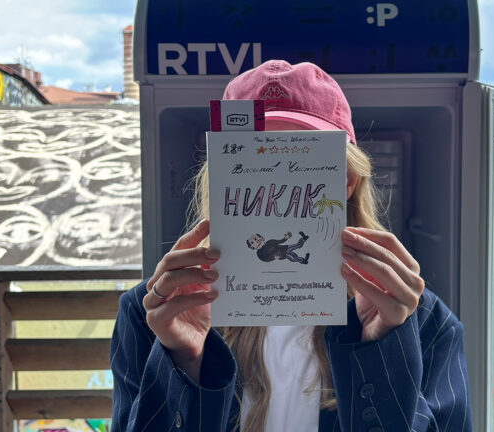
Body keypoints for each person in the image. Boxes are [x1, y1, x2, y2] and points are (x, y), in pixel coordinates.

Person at [110, 60, 472, 432]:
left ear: (347, 180)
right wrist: (183, 362)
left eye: (301, 160)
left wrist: (383, 348)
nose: (275, 186)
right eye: (251, 160)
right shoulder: (153, 315)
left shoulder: (421, 321)